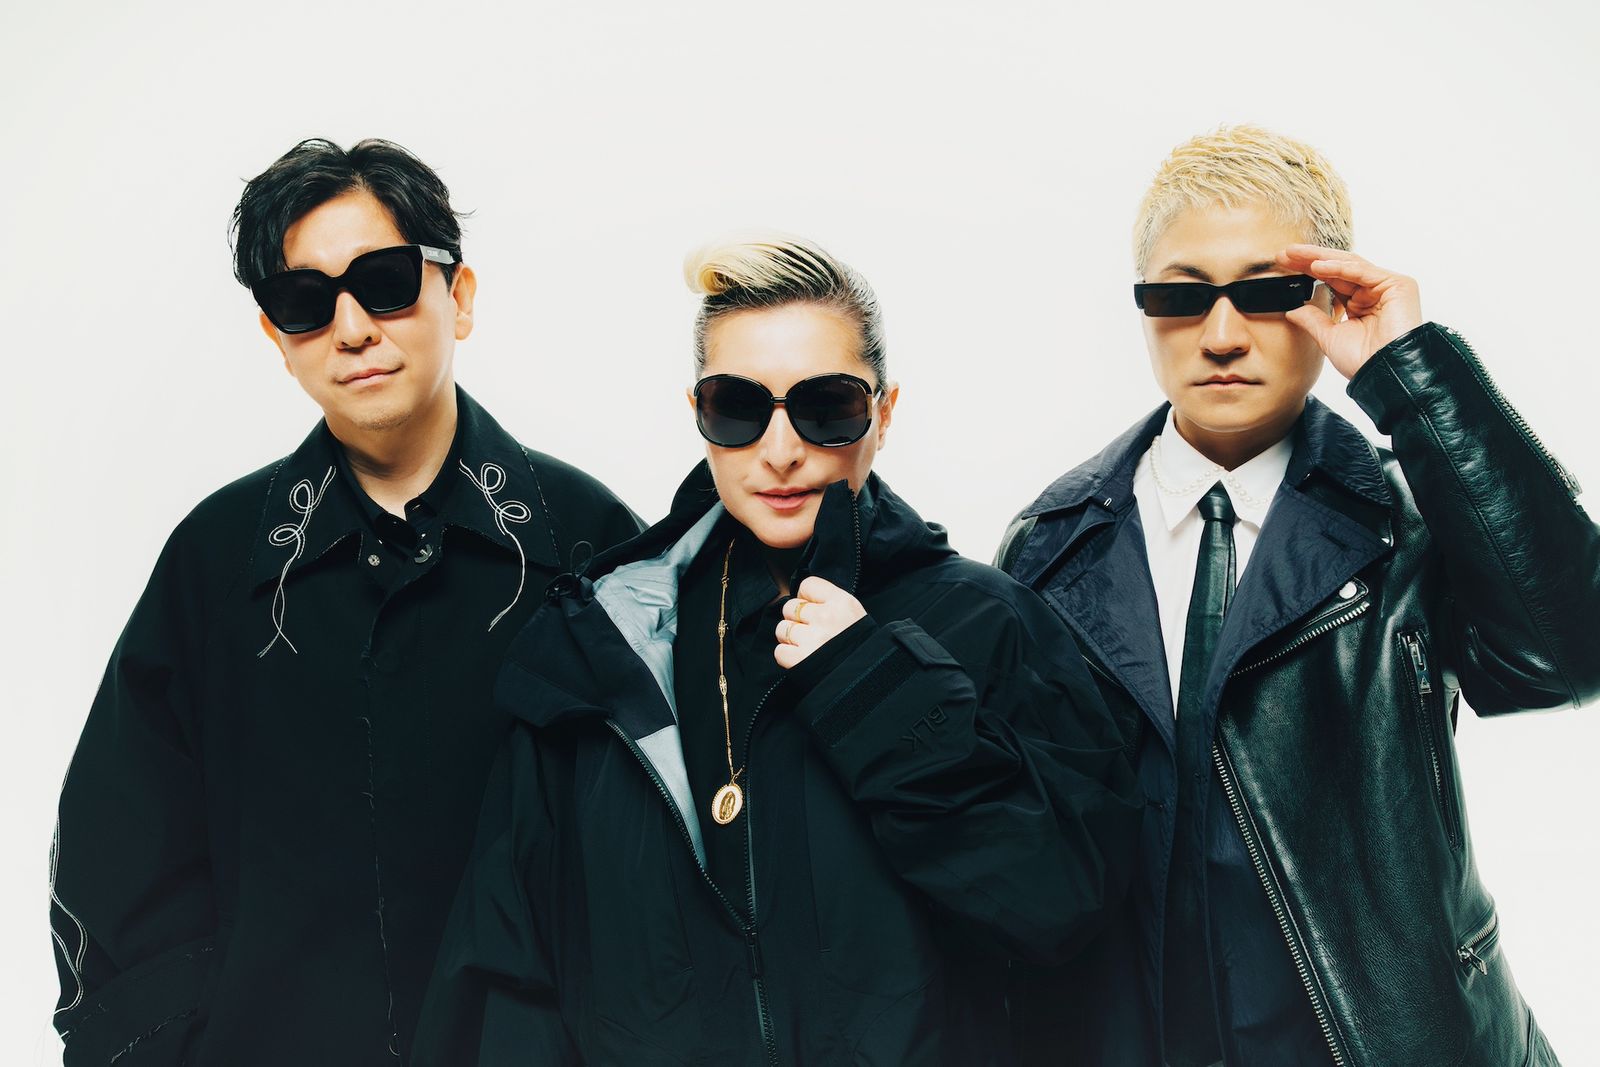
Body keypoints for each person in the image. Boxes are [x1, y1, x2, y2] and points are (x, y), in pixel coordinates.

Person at [414, 234, 1142, 1065]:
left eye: (827, 406)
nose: (781, 448)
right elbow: (513, 965)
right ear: (698, 414)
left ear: (884, 413)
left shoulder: (988, 622)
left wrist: (877, 687)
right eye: (738, 406)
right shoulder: (600, 642)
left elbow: (1065, 907)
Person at [997, 125, 1599, 1066]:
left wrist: (1410, 369)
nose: (1221, 335)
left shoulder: (1413, 524)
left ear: (1325, 298)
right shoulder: (1048, 546)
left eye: (1266, 292)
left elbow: (1569, 656)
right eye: (1181, 295)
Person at [49, 138, 641, 1066]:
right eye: (305, 301)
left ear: (461, 295)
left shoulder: (586, 542)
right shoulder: (216, 559)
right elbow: (118, 847)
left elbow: (665, 852)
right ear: (276, 337)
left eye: (386, 281)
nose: (353, 327)